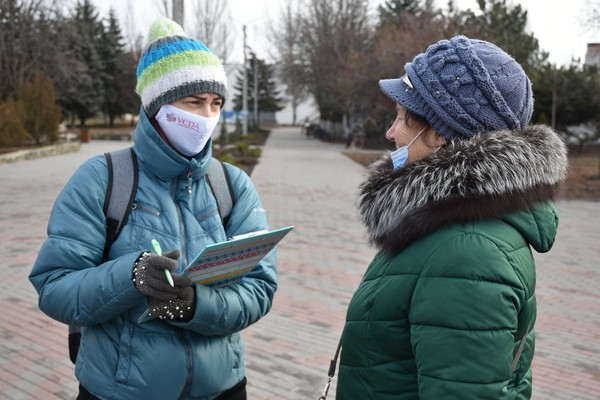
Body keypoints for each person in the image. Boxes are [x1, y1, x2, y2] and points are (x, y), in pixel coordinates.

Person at [29, 18, 277, 400]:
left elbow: (260, 287)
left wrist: (196, 306)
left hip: (223, 389)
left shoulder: (231, 184)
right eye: (194, 102)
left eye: (216, 103)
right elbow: (55, 287)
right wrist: (130, 276)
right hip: (119, 390)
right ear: (157, 105)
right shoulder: (102, 178)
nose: (207, 116)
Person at [336, 36, 568, 399]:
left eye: (401, 118)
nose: (390, 133)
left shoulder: (468, 254)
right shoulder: (440, 221)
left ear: (441, 134)